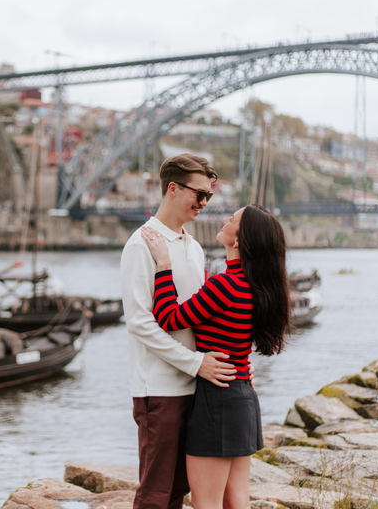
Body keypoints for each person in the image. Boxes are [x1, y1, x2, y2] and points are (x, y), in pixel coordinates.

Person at [140, 204, 289, 509]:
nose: (225, 219)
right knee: (236, 499)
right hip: (244, 395)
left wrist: (164, 265)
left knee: (206, 503)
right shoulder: (254, 286)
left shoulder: (226, 285)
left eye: (232, 219)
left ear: (239, 240)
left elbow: (169, 318)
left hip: (217, 400)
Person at [120, 153, 241, 509]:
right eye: (198, 194)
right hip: (160, 388)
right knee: (156, 493)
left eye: (209, 196)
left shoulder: (193, 246)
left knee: (179, 489)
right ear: (173, 189)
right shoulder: (140, 244)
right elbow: (140, 323)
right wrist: (195, 363)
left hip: (195, 385)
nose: (204, 202)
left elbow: (196, 315)